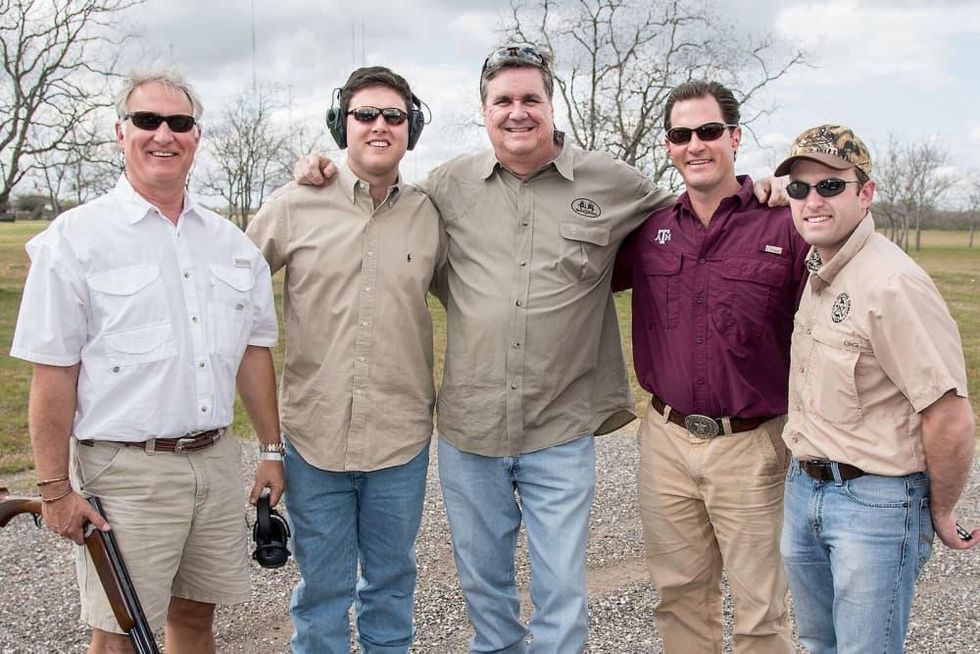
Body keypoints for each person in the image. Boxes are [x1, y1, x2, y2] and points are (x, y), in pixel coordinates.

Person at [10, 67, 283, 653]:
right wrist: (55, 489)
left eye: (179, 122)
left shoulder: (231, 245)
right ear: (120, 132)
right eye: (147, 120)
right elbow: (52, 372)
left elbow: (253, 353)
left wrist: (269, 449)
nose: (164, 134)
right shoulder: (74, 240)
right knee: (118, 634)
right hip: (126, 473)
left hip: (213, 461)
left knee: (195, 618)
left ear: (196, 137)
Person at [246, 66, 440, 653]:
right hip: (313, 438)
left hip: (399, 442)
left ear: (412, 128)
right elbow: (228, 293)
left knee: (390, 587)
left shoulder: (431, 214)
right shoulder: (294, 203)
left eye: (394, 116)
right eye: (365, 115)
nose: (380, 126)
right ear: (342, 124)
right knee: (322, 594)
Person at [612, 81, 806, 653]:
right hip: (666, 441)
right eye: (681, 134)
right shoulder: (648, 231)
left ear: (735, 137)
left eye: (709, 131)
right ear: (669, 146)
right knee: (679, 598)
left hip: (753, 444)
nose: (695, 144)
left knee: (760, 609)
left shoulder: (786, 224)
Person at [776, 124, 979, 653]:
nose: (811, 200)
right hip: (805, 488)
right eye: (799, 188)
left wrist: (940, 509)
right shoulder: (820, 267)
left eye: (830, 186)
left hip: (876, 502)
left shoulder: (892, 283)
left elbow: (949, 413)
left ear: (865, 193)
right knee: (819, 644)